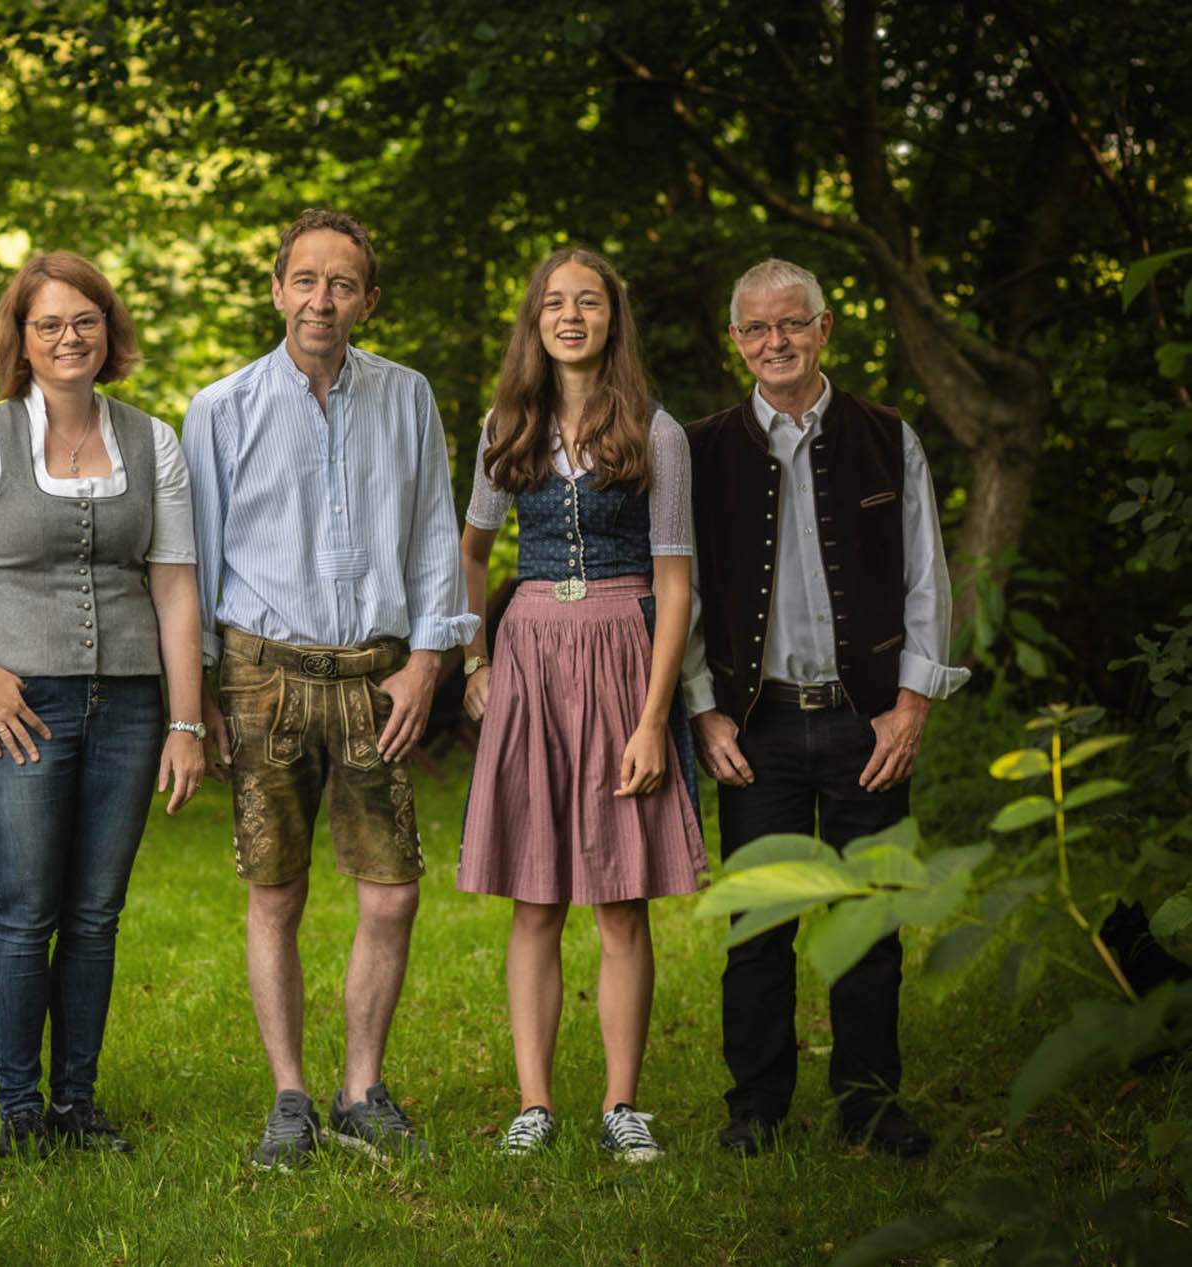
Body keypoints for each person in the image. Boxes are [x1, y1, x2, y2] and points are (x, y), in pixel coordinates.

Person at [184, 209, 477, 1167]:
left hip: (374, 678)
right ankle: (290, 1096)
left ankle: (362, 1088)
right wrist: (207, 696)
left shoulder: (408, 396)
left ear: (368, 301)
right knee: (277, 893)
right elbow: (196, 560)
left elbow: (438, 534)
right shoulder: (220, 409)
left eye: (341, 283)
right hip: (264, 678)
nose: (321, 299)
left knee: (391, 895)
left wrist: (430, 661)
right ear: (276, 289)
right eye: (304, 279)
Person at [0, 251, 205, 1157]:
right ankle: (19, 1110)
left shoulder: (152, 441)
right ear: (22, 340)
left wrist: (186, 722)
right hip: (17, 701)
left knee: (95, 910)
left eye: (86, 320)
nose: (70, 337)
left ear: (109, 333)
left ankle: (78, 1103)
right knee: (27, 907)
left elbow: (176, 590)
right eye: (50, 324)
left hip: (127, 705)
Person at [681, 257, 970, 1159]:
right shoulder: (698, 448)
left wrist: (913, 703)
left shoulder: (889, 435)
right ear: (737, 342)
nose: (776, 342)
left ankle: (872, 1103)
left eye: (792, 325)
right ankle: (756, 1107)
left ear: (825, 328)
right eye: (757, 329)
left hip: (868, 722)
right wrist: (702, 710)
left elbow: (928, 577)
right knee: (757, 927)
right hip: (753, 724)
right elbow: (680, 593)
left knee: (872, 919)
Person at [455, 247, 704, 1162]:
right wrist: (472, 659)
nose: (570, 316)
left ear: (612, 318)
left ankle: (620, 1103)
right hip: (527, 654)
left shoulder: (655, 430)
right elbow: (473, 553)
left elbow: (675, 584)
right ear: (535, 320)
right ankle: (533, 1101)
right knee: (534, 895)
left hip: (620, 654)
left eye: (588, 302)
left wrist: (651, 715)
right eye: (555, 303)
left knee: (621, 899)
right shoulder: (505, 422)